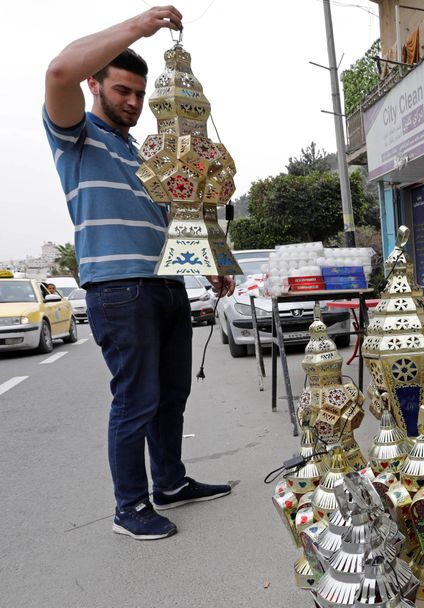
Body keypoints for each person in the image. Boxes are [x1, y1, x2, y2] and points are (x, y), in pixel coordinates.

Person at [44, 6, 236, 540]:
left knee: (172, 394)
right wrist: (139, 27)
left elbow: (169, 221)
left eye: (138, 94)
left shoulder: (141, 152)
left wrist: (209, 266)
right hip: (119, 289)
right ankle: (129, 507)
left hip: (167, 283)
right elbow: (58, 72)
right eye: (122, 90)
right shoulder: (76, 136)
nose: (132, 101)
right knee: (136, 399)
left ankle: (169, 482)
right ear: (94, 84)